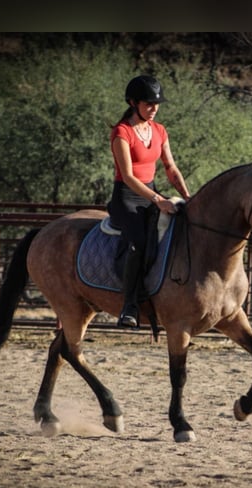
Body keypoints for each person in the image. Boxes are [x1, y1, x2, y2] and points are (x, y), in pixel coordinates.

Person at [107, 75, 191, 328]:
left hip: (152, 193)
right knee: (139, 243)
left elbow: (171, 168)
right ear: (133, 103)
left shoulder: (159, 130)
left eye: (157, 104)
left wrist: (188, 196)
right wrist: (158, 201)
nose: (154, 109)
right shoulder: (121, 132)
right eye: (148, 104)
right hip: (127, 198)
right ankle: (129, 306)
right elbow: (130, 177)